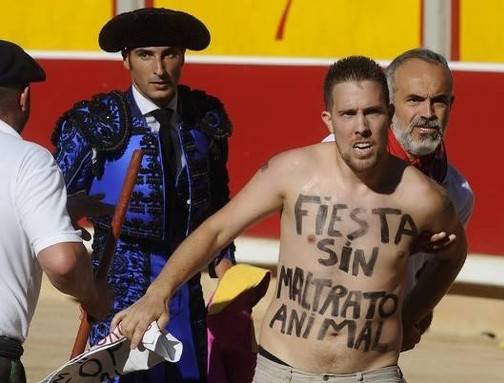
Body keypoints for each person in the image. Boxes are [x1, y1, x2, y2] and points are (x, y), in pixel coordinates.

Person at [112, 56, 467, 382]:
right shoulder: (292, 172)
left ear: (389, 115)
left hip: (372, 374)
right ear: (329, 119)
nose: (361, 126)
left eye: (372, 112)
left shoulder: (424, 197)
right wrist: (157, 294)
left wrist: (412, 313)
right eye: (348, 114)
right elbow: (217, 231)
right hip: (282, 371)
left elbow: (453, 256)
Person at [52, 8, 235, 382]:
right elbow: (50, 204)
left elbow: (216, 200)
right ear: (126, 60)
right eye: (145, 55)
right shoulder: (95, 122)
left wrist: (225, 264)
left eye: (170, 54)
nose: (160, 68)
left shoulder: (205, 117)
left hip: (185, 283)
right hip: (119, 286)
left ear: (183, 56)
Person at [0, 40, 111, 383]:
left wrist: (55, 212)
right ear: (24, 97)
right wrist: (93, 295)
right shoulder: (28, 160)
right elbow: (62, 263)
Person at [385, 48, 474, 348]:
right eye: (414, 100)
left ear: (451, 105)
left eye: (439, 101)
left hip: (381, 350)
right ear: (387, 105)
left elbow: (433, 270)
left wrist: (412, 315)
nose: (427, 113)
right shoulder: (335, 157)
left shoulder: (457, 192)